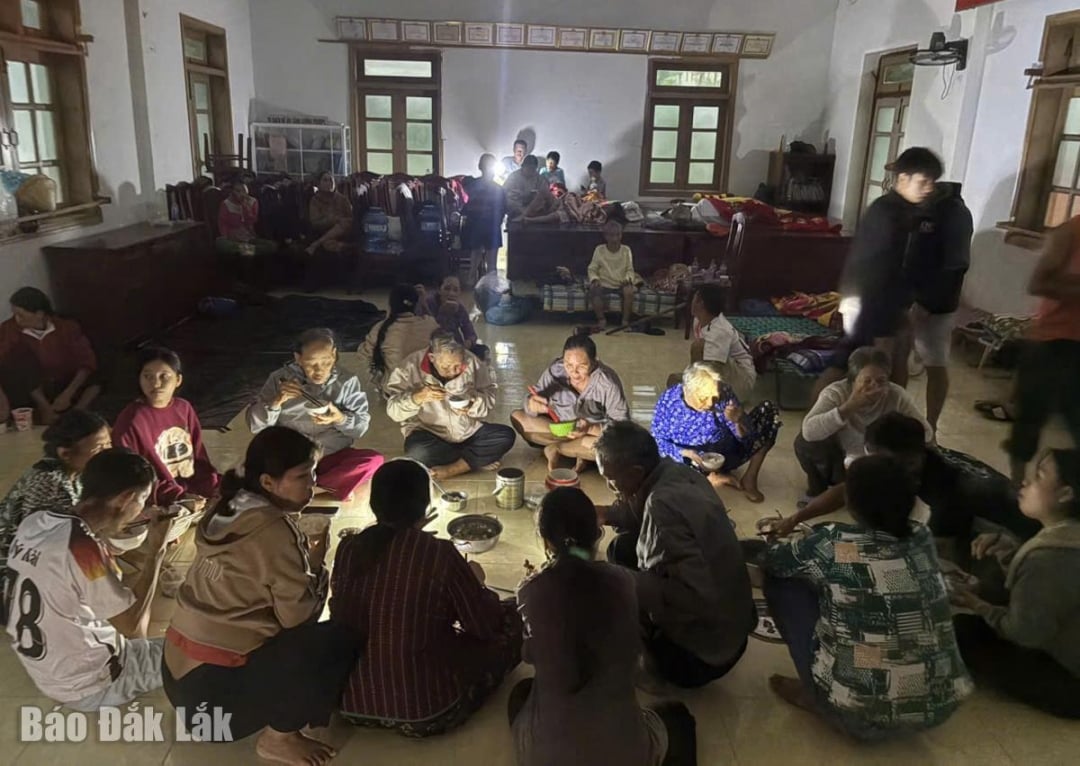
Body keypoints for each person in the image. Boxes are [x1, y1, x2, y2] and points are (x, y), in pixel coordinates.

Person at [164, 426, 358, 764]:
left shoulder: (225, 506)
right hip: (218, 707)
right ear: (268, 482)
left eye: (313, 473)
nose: (312, 484)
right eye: (302, 476)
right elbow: (299, 619)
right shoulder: (273, 529)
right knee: (333, 639)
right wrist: (316, 561)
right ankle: (279, 738)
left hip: (178, 683)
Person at [761, 454, 973, 740]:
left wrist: (776, 540)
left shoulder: (835, 544)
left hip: (856, 717)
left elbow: (774, 561)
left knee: (781, 582)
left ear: (851, 504)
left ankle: (814, 693)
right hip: (935, 709)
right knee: (854, 592)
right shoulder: (921, 536)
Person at [332, 459, 522, 737]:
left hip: (351, 704)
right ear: (424, 506)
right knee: (513, 618)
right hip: (428, 711)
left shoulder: (348, 548)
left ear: (374, 505)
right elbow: (483, 625)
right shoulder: (438, 553)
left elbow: (339, 613)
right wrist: (477, 584)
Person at [510, 487, 697, 766]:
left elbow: (529, 654)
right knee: (678, 717)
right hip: (625, 754)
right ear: (597, 534)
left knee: (522, 694)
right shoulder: (623, 581)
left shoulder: (530, 591)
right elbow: (664, 596)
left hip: (548, 757)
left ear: (546, 542)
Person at [5, 449, 174, 711]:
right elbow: (131, 625)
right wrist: (156, 552)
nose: (141, 510)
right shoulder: (83, 550)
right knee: (196, 652)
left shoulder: (35, 522)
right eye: (142, 500)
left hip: (48, 673)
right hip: (93, 685)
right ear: (126, 498)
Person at [595, 422, 755, 689]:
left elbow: (688, 598)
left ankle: (653, 667)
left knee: (616, 586)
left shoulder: (661, 507)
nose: (609, 486)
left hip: (703, 658)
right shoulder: (678, 473)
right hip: (735, 631)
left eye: (610, 479)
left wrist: (614, 581)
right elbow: (637, 510)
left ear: (635, 472)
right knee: (621, 548)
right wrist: (606, 514)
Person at [950, 449, 1080, 719]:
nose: (1025, 481)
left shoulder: (1048, 557)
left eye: (1039, 477)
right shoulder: (1067, 537)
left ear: (1066, 494)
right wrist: (1011, 555)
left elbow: (1024, 633)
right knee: (990, 578)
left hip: (1071, 683)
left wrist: (978, 605)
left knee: (962, 631)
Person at [774, 411, 1040, 541]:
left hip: (1023, 541)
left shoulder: (948, 493)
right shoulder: (921, 458)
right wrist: (796, 518)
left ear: (910, 460)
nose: (872, 466)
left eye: (877, 460)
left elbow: (930, 553)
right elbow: (850, 488)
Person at [815, 147, 945, 395]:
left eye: (932, 182)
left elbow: (912, 262)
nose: (929, 188)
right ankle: (819, 415)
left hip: (891, 302)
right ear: (903, 178)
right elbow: (874, 265)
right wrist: (876, 314)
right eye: (923, 181)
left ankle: (892, 412)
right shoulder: (885, 212)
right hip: (870, 300)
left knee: (897, 359)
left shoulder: (914, 212)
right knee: (852, 366)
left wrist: (911, 303)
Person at [248, 328, 383, 501]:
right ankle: (323, 487)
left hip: (329, 454)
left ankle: (303, 489)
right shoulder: (280, 379)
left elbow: (359, 429)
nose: (319, 370)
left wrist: (340, 418)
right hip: (291, 457)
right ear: (298, 358)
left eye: (326, 362)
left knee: (373, 460)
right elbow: (256, 427)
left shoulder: (347, 381)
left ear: (334, 355)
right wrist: (277, 401)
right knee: (259, 468)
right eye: (311, 364)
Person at [795, 346, 929, 506]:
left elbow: (926, 432)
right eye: (867, 381)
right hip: (842, 461)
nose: (874, 387)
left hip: (879, 463)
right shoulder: (836, 393)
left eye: (881, 381)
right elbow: (809, 432)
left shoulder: (896, 395)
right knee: (804, 443)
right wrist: (849, 407)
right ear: (853, 381)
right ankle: (819, 489)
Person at [1007, 214, 1080, 485]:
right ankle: (1016, 490)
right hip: (1053, 343)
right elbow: (1038, 283)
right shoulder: (1072, 231)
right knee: (1028, 425)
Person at [385, 331, 514, 481]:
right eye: (446, 367)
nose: (453, 372)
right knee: (418, 452)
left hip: (466, 431)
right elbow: (393, 411)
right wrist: (417, 397)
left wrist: (473, 404)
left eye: (458, 366)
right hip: (428, 431)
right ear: (432, 358)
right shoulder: (408, 368)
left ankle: (454, 468)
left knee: (505, 435)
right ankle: (474, 459)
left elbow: (489, 394)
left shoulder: (473, 362)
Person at [651, 362, 780, 503]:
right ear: (687, 390)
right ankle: (709, 479)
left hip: (726, 455)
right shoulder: (669, 400)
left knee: (769, 411)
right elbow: (657, 440)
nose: (710, 404)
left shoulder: (724, 393)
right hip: (693, 462)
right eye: (703, 398)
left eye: (714, 397)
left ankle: (749, 478)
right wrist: (684, 452)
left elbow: (748, 439)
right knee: (669, 472)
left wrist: (738, 422)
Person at [0, 410, 111, 572]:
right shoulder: (50, 484)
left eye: (108, 444)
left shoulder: (77, 471)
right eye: (98, 448)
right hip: (14, 563)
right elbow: (50, 543)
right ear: (65, 453)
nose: (107, 453)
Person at [113, 347, 220, 509]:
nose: (156, 384)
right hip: (157, 500)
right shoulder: (131, 420)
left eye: (164, 376)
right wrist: (178, 496)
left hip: (193, 490)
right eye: (148, 376)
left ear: (178, 380)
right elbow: (133, 477)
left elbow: (199, 458)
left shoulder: (184, 408)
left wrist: (211, 486)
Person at [904, 182, 972, 435]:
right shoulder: (921, 208)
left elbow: (955, 266)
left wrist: (927, 303)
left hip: (934, 305)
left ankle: (931, 426)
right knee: (898, 359)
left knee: (934, 362)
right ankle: (895, 420)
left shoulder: (954, 213)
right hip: (907, 297)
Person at [511, 334, 630, 472]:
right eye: (568, 365)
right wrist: (531, 405)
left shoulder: (607, 384)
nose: (574, 372)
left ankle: (559, 449)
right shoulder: (556, 371)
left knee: (619, 447)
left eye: (582, 366)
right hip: (561, 431)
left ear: (594, 361)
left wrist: (590, 428)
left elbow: (622, 428)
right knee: (518, 417)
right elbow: (535, 395)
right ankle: (575, 451)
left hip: (589, 436)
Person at [0, 287, 100, 426]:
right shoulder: (9, 329)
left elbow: (86, 361)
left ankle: (77, 413)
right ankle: (46, 410)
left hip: (64, 381)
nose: (17, 319)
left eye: (21, 315)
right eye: (14, 315)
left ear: (39, 314)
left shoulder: (66, 328)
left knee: (98, 371)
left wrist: (68, 393)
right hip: (33, 387)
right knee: (21, 358)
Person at [358, 284, 439, 394]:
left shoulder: (380, 328)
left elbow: (364, 355)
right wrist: (424, 304)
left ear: (391, 304)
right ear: (416, 304)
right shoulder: (429, 324)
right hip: (427, 391)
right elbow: (438, 328)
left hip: (394, 392)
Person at [680, 282, 756, 401]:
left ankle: (709, 396)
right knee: (674, 380)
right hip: (724, 372)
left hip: (741, 380)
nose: (691, 302)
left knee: (698, 347)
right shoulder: (699, 320)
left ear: (700, 303)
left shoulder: (720, 331)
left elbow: (715, 368)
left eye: (694, 298)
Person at [418, 275, 488, 359]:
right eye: (447, 289)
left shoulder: (460, 308)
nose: (451, 293)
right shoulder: (429, 303)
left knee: (482, 350)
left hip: (454, 346)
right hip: (434, 346)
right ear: (439, 290)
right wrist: (443, 314)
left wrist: (468, 343)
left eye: (455, 290)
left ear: (459, 292)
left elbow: (470, 332)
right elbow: (429, 331)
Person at [462, 153, 507, 280]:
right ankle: (489, 283)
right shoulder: (498, 189)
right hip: (489, 226)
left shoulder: (472, 186)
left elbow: (467, 207)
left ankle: (472, 280)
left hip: (478, 225)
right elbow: (503, 209)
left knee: (476, 258)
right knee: (491, 263)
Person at [587, 220, 638, 330]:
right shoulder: (599, 250)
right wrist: (595, 279)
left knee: (629, 291)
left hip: (621, 283)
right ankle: (601, 320)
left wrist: (628, 279)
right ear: (606, 236)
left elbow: (630, 270)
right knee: (594, 289)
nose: (615, 239)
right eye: (611, 235)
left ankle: (625, 321)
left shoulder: (626, 250)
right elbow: (592, 268)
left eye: (617, 235)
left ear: (621, 235)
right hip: (604, 282)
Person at [215, 181, 275, 257]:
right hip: (232, 238)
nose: (242, 194)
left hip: (248, 236)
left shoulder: (252, 202)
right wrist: (227, 236)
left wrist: (246, 208)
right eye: (238, 191)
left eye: (244, 191)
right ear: (232, 192)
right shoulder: (225, 204)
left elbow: (252, 221)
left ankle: (249, 250)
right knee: (221, 243)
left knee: (272, 246)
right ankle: (248, 251)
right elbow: (222, 223)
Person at [305, 171, 354, 256]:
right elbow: (315, 222)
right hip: (323, 231)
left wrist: (340, 221)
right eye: (325, 180)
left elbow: (350, 218)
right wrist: (332, 219)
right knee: (328, 244)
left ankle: (316, 244)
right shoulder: (315, 200)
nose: (329, 183)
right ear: (319, 183)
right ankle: (342, 246)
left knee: (344, 223)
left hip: (343, 231)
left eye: (331, 180)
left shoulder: (343, 199)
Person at [504, 155, 555, 220]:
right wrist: (520, 194)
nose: (530, 171)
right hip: (517, 204)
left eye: (533, 169)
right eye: (528, 168)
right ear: (523, 166)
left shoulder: (540, 179)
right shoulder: (513, 176)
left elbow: (545, 193)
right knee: (510, 202)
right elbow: (505, 191)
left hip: (533, 205)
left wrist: (537, 195)